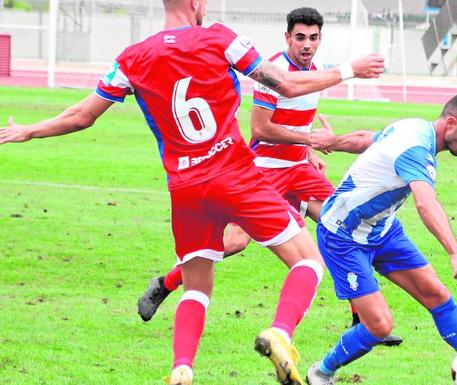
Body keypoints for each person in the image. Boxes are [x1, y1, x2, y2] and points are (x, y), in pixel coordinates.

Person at [0, 1, 385, 384]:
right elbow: (283, 82)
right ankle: (280, 331)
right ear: (196, 3)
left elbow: (82, 115)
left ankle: (181, 368)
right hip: (235, 174)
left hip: (185, 188)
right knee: (308, 260)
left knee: (198, 285)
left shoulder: (130, 58)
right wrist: (350, 70)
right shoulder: (219, 38)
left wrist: (29, 130)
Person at [136, 6, 403, 347]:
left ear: (320, 39)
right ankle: (166, 283)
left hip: (299, 172)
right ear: (288, 37)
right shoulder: (275, 73)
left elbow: (299, 121)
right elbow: (261, 128)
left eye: (313, 38)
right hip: (264, 172)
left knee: (343, 226)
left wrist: (307, 153)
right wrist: (310, 140)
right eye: (300, 38)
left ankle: (362, 319)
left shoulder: (316, 72)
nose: (307, 44)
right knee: (234, 242)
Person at [305, 92, 457, 385]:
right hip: (343, 237)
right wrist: (455, 253)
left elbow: (366, 138)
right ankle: (320, 372)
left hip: (382, 230)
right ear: (451, 123)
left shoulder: (413, 126)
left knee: (437, 295)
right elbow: (426, 203)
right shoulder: (416, 150)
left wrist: (333, 141)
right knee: (379, 326)